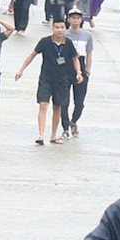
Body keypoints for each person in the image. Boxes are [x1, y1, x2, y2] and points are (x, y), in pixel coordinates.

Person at [14, 17, 82, 146]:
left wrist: (78, 72)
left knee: (57, 107)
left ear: (65, 29)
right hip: (46, 78)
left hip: (62, 80)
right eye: (57, 27)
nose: (59, 30)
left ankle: (53, 135)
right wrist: (21, 69)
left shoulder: (68, 43)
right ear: (53, 28)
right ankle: (40, 135)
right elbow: (32, 55)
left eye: (62, 27)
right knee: (43, 104)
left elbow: (75, 59)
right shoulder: (45, 42)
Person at [65, 10, 97, 133]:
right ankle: (65, 124)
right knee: (64, 100)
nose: (75, 20)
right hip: (66, 67)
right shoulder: (64, 34)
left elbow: (89, 54)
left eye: (78, 18)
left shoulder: (87, 36)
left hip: (81, 66)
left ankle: (73, 121)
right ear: (69, 20)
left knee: (79, 102)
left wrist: (88, 71)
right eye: (73, 18)